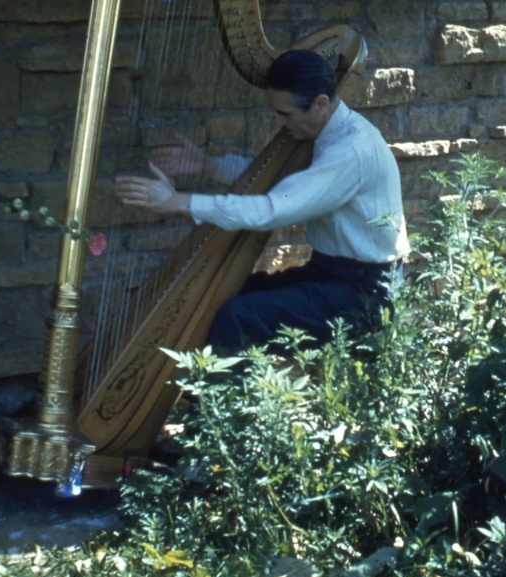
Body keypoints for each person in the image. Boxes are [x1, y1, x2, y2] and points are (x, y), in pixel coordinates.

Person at [113, 49, 409, 354]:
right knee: (226, 294)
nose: (277, 123)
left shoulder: (350, 151)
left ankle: (222, 403)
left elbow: (272, 209)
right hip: (331, 275)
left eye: (285, 114)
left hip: (364, 294)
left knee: (239, 318)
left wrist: (179, 201)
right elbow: (279, 181)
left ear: (321, 104)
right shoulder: (329, 132)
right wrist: (208, 164)